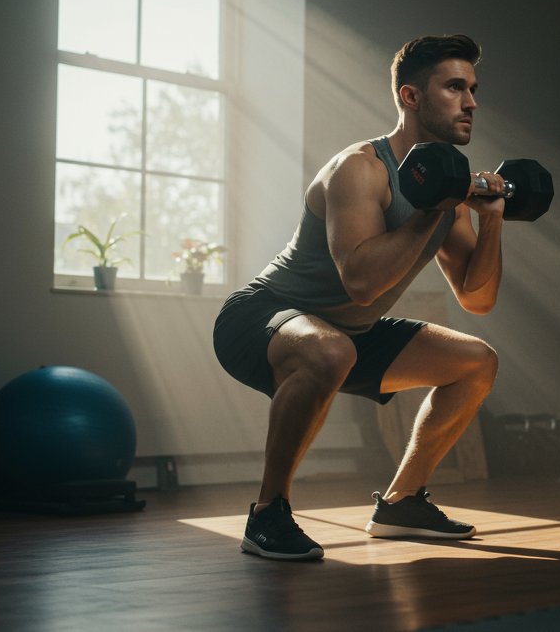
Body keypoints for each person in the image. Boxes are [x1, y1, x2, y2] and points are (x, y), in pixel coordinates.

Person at [213, 34, 505, 561]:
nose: (471, 103)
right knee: (332, 351)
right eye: (456, 87)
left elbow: (477, 298)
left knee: (477, 363)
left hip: (352, 334)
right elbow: (363, 283)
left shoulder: (451, 190)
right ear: (411, 97)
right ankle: (267, 513)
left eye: (474, 89)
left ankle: (401, 502)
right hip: (263, 317)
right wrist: (436, 209)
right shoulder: (361, 168)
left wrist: (493, 223)